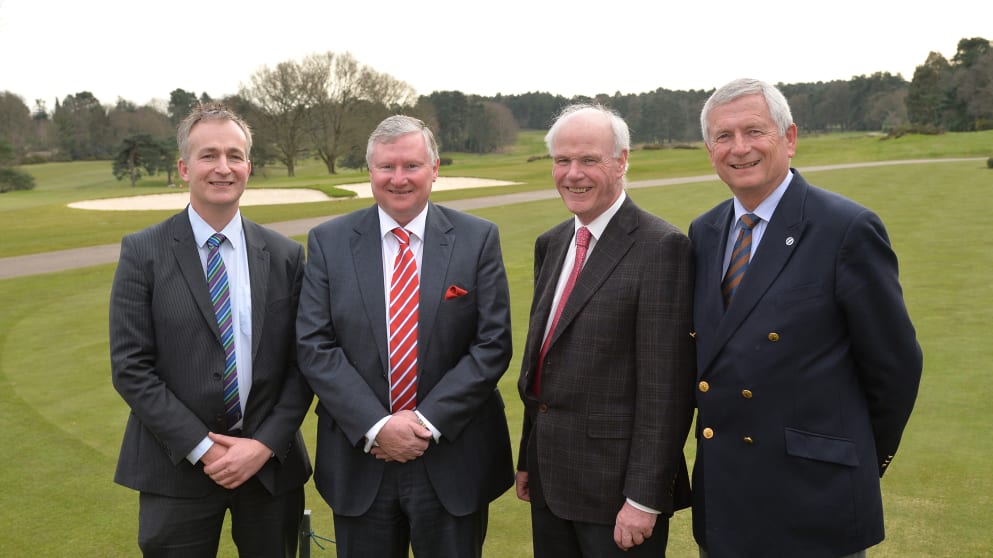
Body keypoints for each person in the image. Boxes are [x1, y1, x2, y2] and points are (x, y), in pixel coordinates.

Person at [689, 78, 924, 557]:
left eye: (755, 131)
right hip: (726, 502)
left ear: (789, 138)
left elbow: (895, 368)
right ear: (709, 148)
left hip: (814, 501)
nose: (739, 148)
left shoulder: (846, 229)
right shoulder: (705, 231)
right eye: (723, 136)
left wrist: (848, 459)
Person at [296, 115, 514, 558]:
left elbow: (492, 345)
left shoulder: (477, 238)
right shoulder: (327, 241)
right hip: (361, 461)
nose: (399, 179)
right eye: (386, 167)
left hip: (453, 458)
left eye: (412, 165)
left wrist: (423, 424)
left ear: (435, 169)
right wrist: (378, 427)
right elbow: (315, 347)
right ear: (370, 171)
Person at [109, 102, 313, 557]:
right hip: (174, 466)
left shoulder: (284, 255)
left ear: (249, 166)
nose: (223, 168)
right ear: (184, 166)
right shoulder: (143, 251)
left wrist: (261, 445)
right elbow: (131, 368)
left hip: (269, 469)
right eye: (209, 156)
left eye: (234, 155)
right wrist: (206, 449)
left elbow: (304, 366)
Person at [515, 103, 696, 557]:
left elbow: (665, 390)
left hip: (617, 497)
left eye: (589, 160)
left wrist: (644, 498)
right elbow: (543, 360)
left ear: (622, 161)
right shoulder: (553, 243)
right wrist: (526, 459)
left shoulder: (662, 247)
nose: (572, 173)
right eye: (562, 160)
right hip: (550, 479)